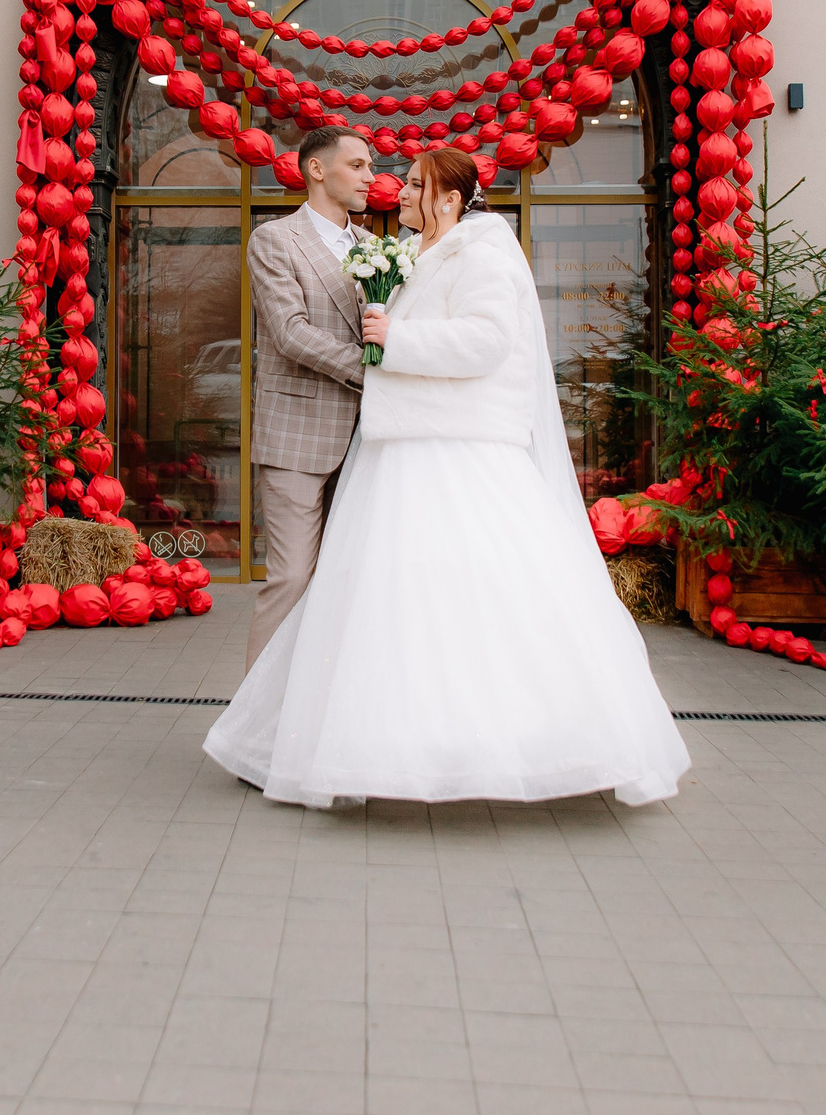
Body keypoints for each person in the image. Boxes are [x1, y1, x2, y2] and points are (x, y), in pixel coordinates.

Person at [206, 146, 692, 809]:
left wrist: (392, 343)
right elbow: (311, 331)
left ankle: (499, 742)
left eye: (413, 184)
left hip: (451, 448)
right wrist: (381, 349)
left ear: (449, 198)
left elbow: (486, 340)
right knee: (377, 603)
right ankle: (338, 737)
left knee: (467, 599)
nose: (397, 190)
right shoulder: (411, 252)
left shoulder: (481, 252)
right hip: (394, 445)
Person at [242, 124, 374, 670]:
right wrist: (375, 373)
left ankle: (320, 704)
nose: (370, 177)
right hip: (296, 435)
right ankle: (255, 712)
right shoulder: (274, 240)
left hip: (368, 441)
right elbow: (290, 333)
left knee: (349, 583)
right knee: (293, 576)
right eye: (358, 165)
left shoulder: (374, 248)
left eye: (370, 166)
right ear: (316, 169)